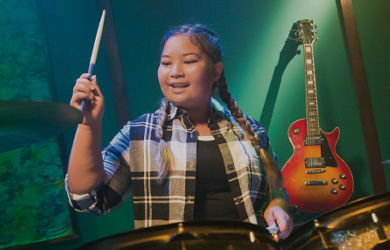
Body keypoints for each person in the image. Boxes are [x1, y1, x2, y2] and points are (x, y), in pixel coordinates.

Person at [66, 24, 294, 239]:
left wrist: (278, 205)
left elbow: (276, 189)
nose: (175, 72)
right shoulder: (141, 134)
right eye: (166, 63)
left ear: (216, 70)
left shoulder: (249, 129)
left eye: (189, 61)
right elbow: (88, 199)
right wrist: (88, 124)